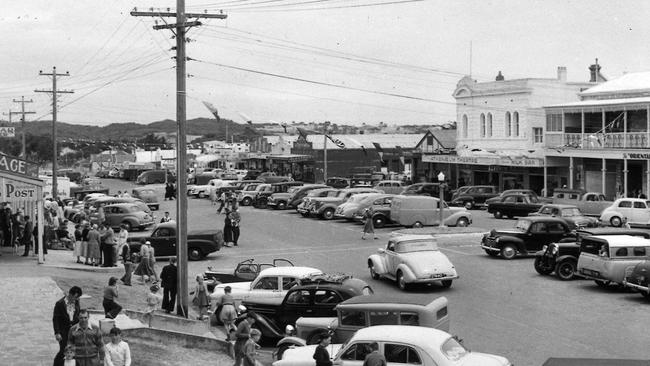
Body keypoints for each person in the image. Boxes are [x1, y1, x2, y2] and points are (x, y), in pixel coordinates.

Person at [53, 286, 82, 366]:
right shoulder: (60, 304)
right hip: (63, 332)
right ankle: (56, 364)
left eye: (78, 297)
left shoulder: (76, 302)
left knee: (73, 350)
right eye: (75, 297)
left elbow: (78, 314)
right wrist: (57, 332)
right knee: (63, 350)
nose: (76, 299)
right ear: (70, 294)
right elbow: (55, 319)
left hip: (74, 331)